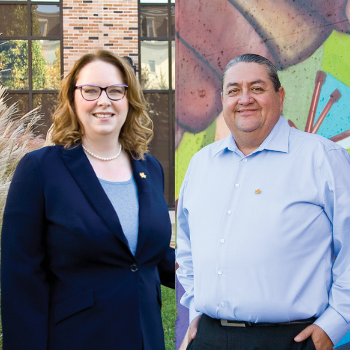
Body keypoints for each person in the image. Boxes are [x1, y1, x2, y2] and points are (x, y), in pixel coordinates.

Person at [1, 50, 175, 350]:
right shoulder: (40, 169)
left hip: (146, 338)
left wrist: (224, 274)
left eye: (115, 91)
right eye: (91, 90)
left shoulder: (150, 168)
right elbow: (21, 281)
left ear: (128, 98)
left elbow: (150, 256)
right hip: (78, 339)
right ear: (72, 98)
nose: (104, 101)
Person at [176, 53, 350, 350]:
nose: (244, 99)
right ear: (223, 100)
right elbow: (187, 246)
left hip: (291, 339)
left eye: (257, 88)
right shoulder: (201, 163)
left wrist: (334, 324)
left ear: (280, 96)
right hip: (210, 338)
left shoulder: (321, 158)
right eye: (233, 90)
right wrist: (196, 309)